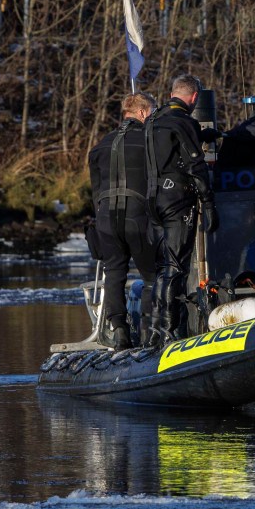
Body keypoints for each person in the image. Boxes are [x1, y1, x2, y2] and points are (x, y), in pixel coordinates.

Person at [144, 73, 218, 348]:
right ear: (195, 97)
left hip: (153, 200)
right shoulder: (183, 120)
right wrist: (209, 203)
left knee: (163, 267)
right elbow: (195, 166)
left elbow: (167, 152)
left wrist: (201, 134)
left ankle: (155, 329)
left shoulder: (154, 120)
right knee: (176, 268)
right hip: (177, 201)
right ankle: (169, 330)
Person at [88, 91, 157, 351]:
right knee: (152, 275)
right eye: (151, 111)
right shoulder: (149, 141)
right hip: (137, 216)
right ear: (142, 113)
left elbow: (95, 191)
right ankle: (151, 333)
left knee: (113, 273)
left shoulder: (100, 146)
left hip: (106, 218)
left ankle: (119, 331)